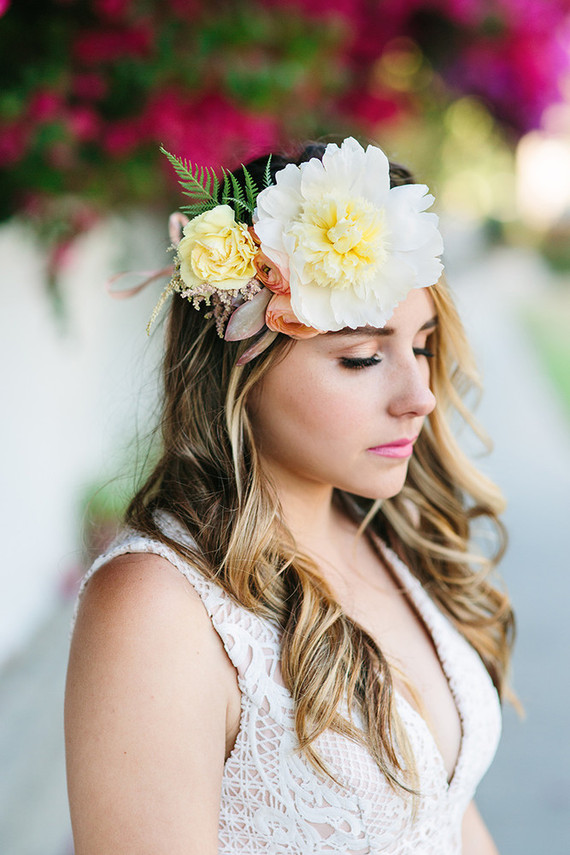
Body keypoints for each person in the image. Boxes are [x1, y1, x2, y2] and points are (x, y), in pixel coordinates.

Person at [64, 136, 515, 854]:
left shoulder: (379, 532)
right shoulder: (159, 609)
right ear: (241, 363)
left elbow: (446, 812)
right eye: (363, 356)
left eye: (422, 344)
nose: (421, 396)